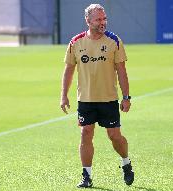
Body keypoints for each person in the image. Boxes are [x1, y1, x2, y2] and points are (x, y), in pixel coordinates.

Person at [60, 4, 134, 188]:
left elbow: (122, 72)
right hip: (85, 100)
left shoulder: (114, 41)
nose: (103, 22)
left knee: (114, 136)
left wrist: (126, 97)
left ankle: (126, 163)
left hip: (108, 99)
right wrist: (64, 96)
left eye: (104, 18)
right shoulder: (76, 42)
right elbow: (68, 70)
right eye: (98, 19)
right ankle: (86, 175)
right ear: (88, 21)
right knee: (85, 134)